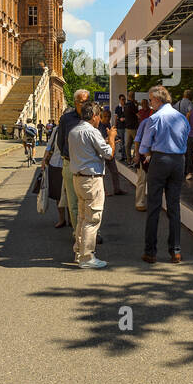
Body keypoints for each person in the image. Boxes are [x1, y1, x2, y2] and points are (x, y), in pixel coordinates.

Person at [139, 85, 190, 263]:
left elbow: (144, 145)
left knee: (153, 206)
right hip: (178, 161)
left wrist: (147, 156)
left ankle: (150, 252)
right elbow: (186, 137)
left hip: (160, 159)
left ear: (158, 99)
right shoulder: (182, 118)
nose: (150, 103)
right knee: (174, 206)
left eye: (151, 100)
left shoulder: (155, 118)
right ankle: (176, 250)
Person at [68, 103, 114, 268]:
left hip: (78, 178)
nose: (100, 120)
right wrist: (112, 138)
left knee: (82, 218)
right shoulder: (92, 132)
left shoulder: (73, 131)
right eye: (99, 116)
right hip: (91, 179)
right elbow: (108, 154)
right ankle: (87, 257)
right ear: (94, 116)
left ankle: (79, 252)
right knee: (92, 219)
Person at [56, 89, 91, 231]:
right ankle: (78, 234)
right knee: (74, 203)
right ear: (76, 102)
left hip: (88, 165)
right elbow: (60, 142)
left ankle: (92, 231)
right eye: (82, 102)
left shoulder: (92, 117)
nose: (85, 106)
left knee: (89, 202)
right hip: (70, 164)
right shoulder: (66, 119)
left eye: (87, 102)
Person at [94, 106, 126, 195]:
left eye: (109, 116)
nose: (107, 118)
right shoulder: (98, 127)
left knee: (115, 171)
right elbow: (99, 141)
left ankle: (117, 189)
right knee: (102, 173)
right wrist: (110, 139)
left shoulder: (109, 125)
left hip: (109, 151)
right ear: (101, 117)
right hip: (102, 152)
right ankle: (103, 191)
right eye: (105, 116)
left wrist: (114, 139)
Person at [41, 125, 67, 228]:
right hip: (56, 164)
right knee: (58, 195)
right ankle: (62, 219)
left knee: (71, 194)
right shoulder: (57, 130)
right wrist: (44, 160)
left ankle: (72, 219)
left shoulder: (75, 128)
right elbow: (49, 145)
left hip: (70, 164)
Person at [132, 109, 156, 211]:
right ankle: (140, 202)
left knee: (154, 181)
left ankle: (153, 203)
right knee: (142, 179)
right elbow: (137, 139)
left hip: (156, 154)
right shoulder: (145, 122)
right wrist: (137, 154)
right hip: (143, 154)